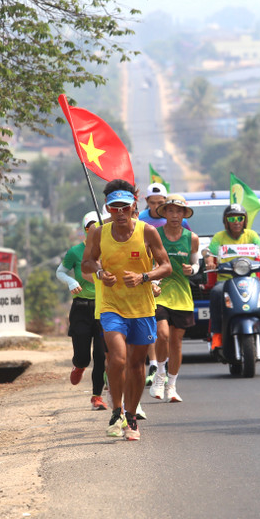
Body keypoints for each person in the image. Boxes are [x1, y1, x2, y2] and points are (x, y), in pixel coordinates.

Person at [82, 179, 172, 441]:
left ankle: (131, 416)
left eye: (124, 207)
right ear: (107, 207)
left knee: (136, 364)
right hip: (112, 306)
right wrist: (100, 272)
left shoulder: (147, 232)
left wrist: (144, 277)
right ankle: (116, 410)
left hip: (142, 307)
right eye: (114, 208)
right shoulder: (98, 232)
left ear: (134, 205)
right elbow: (87, 263)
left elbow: (166, 266)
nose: (120, 213)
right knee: (118, 358)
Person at [205, 203, 260, 360]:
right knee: (216, 293)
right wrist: (210, 262)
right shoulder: (219, 237)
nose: (236, 222)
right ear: (226, 221)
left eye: (239, 218)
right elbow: (210, 254)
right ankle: (217, 334)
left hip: (250, 280)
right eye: (232, 218)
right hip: (226, 281)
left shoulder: (251, 235)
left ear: (244, 220)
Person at [149, 194, 199, 403]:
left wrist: (192, 270)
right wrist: (152, 281)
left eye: (179, 211)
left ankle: (172, 385)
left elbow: (196, 263)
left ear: (184, 214)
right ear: (165, 213)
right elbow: (149, 263)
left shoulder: (192, 238)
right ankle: (159, 375)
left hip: (182, 294)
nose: (175, 215)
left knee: (176, 342)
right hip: (160, 292)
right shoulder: (155, 235)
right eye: (171, 211)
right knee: (162, 334)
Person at [137, 182, 189, 384]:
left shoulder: (182, 224)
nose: (156, 206)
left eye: (160, 202)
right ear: (147, 202)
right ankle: (154, 364)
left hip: (177, 285)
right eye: (153, 203)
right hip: (150, 279)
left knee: (173, 337)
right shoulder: (142, 220)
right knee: (157, 328)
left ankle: (163, 368)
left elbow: (189, 246)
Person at [56, 211, 108, 410]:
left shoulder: (109, 250)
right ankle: (78, 365)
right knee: (83, 356)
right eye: (89, 228)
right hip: (81, 308)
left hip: (104, 307)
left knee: (101, 355)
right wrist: (71, 281)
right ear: (85, 230)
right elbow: (60, 271)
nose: (93, 231)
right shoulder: (75, 252)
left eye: (97, 227)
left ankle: (97, 396)